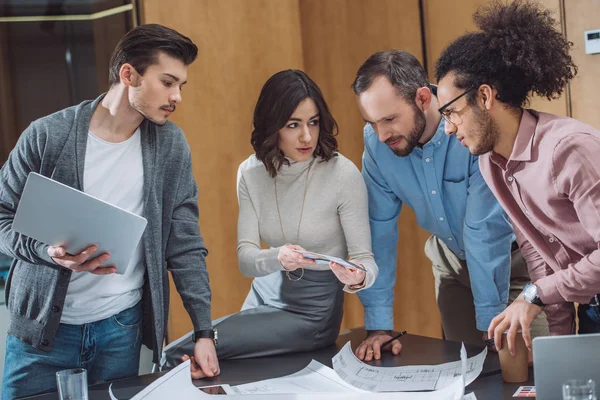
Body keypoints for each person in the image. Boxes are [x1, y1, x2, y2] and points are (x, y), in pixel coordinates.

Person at [0, 24, 218, 399]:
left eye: (181, 85)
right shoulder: (47, 135)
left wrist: (203, 331)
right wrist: (46, 252)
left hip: (120, 329)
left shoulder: (171, 147)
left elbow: (185, 244)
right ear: (128, 74)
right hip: (41, 332)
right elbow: (3, 217)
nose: (177, 96)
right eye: (167, 82)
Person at [163, 69, 378, 375]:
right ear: (272, 125)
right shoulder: (251, 173)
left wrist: (356, 278)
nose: (307, 136)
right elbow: (246, 259)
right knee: (206, 363)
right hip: (262, 296)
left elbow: (365, 260)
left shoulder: (343, 174)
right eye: (293, 125)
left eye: (313, 122)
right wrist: (276, 256)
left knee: (178, 353)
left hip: (311, 314)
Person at [350, 50, 548, 361]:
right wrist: (379, 326)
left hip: (515, 265)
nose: (382, 134)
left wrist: (489, 320)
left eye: (389, 119)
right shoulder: (377, 145)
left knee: (531, 376)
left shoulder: (471, 130)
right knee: (470, 374)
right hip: (451, 265)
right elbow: (379, 232)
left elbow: (485, 231)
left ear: (423, 99)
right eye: (372, 122)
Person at [435, 0, 600, 355]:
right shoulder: (490, 164)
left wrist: (536, 294)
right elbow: (539, 256)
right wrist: (561, 347)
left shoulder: (568, 148)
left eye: (451, 113)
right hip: (592, 305)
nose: (448, 129)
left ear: (484, 96)